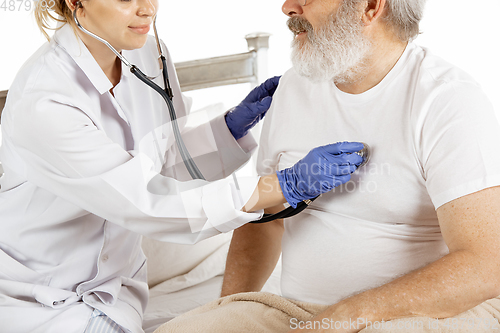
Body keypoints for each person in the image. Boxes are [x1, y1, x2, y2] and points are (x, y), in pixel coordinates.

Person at [0, 0, 365, 332]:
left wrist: (228, 129)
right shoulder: (45, 101)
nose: (147, 10)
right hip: (41, 298)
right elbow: (146, 201)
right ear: (74, 2)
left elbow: (160, 160)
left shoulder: (145, 51)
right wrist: (286, 185)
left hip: (118, 286)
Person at [155, 0, 500, 332]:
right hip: (299, 312)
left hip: (417, 314)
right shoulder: (293, 87)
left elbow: (485, 264)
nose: (287, 6)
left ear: (370, 6)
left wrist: (343, 317)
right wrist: (228, 308)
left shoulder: (447, 101)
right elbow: (265, 221)